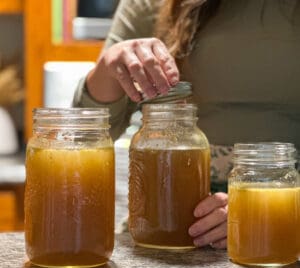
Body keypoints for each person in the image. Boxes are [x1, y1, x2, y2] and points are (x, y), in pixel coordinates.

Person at [73, 0, 300, 249]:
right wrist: (109, 64)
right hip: (164, 233)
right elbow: (85, 135)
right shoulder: (150, 4)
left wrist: (273, 209)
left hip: (287, 231)